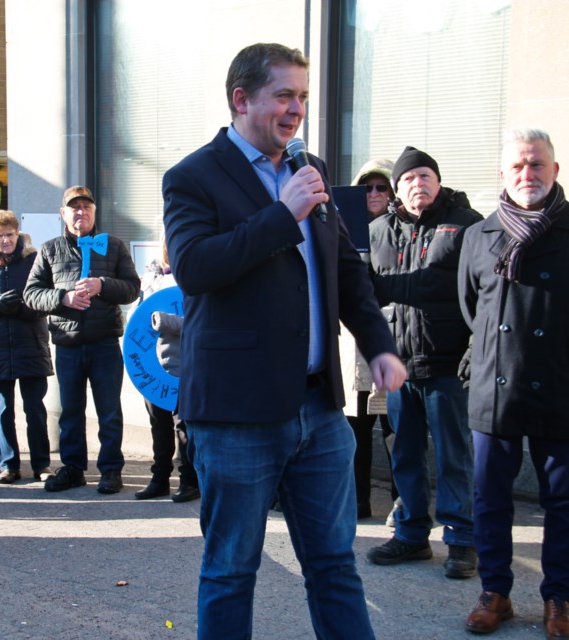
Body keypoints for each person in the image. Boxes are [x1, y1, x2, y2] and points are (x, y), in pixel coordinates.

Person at [162, 43, 406, 639]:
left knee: (333, 566)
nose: (297, 110)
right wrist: (281, 214)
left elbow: (345, 271)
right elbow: (195, 267)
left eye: (303, 97)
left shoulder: (307, 167)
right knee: (230, 571)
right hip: (236, 414)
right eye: (284, 96)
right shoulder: (193, 176)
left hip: (319, 412)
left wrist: (378, 342)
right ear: (241, 99)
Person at [459, 129, 569, 639]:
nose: (528, 174)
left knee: (564, 501)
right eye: (518, 166)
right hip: (495, 389)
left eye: (538, 165)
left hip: (562, 385)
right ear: (503, 175)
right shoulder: (479, 237)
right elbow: (469, 311)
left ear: (555, 170)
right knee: (490, 497)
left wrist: (568, 358)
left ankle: (558, 600)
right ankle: (495, 592)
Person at [365, 146, 482, 579]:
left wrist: (386, 287)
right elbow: (366, 291)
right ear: (398, 189)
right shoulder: (378, 230)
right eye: (409, 179)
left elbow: (452, 288)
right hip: (399, 366)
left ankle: (462, 540)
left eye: (426, 176)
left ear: (439, 180)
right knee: (406, 456)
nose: (419, 184)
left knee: (455, 456)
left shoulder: (468, 226)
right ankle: (412, 535)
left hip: (449, 363)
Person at [23, 186, 140, 494]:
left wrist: (103, 285)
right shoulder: (49, 250)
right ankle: (73, 468)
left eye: (86, 207)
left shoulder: (112, 246)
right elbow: (31, 294)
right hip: (68, 344)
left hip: (104, 343)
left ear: (93, 212)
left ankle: (111, 470)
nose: (80, 212)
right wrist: (64, 298)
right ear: (63, 214)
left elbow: (132, 287)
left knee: (109, 411)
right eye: (74, 208)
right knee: (71, 412)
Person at [0, 209, 53, 484]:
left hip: (30, 342)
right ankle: (9, 465)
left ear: (18, 234)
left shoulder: (34, 260)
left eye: (10, 235)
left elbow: (45, 297)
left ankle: (41, 465)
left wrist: (25, 307)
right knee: (3, 409)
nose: (5, 240)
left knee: (35, 408)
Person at [340, 159, 398, 520]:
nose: (374, 194)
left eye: (382, 187)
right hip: (354, 348)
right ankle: (358, 501)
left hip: (393, 343)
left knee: (397, 432)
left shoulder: (402, 230)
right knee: (356, 432)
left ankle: (401, 504)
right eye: (367, 187)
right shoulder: (344, 229)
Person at [132, 241, 199, 503]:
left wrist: (166, 321)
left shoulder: (195, 275)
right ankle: (159, 479)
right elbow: (139, 320)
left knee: (183, 427)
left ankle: (189, 481)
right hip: (154, 367)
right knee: (158, 425)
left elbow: (202, 321)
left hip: (187, 366)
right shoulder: (151, 278)